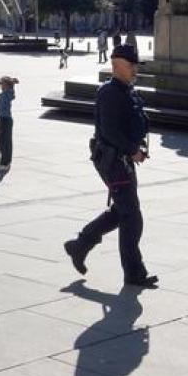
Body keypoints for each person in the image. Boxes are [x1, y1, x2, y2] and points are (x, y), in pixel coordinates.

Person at [64, 44, 158, 288]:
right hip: (113, 161)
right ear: (116, 65)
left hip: (122, 159)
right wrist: (132, 150)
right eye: (131, 65)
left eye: (136, 65)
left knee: (122, 211)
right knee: (132, 217)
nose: (135, 69)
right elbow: (109, 131)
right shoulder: (109, 93)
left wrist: (137, 148)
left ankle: (80, 245)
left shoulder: (126, 90)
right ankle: (134, 273)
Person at [0, 76, 18, 171]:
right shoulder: (2, 94)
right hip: (2, 119)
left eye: (2, 84)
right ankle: (2, 163)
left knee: (6, 143)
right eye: (0, 85)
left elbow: (12, 93)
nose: (1, 86)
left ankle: (6, 163)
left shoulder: (8, 94)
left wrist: (12, 83)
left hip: (6, 120)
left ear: (7, 86)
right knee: (1, 142)